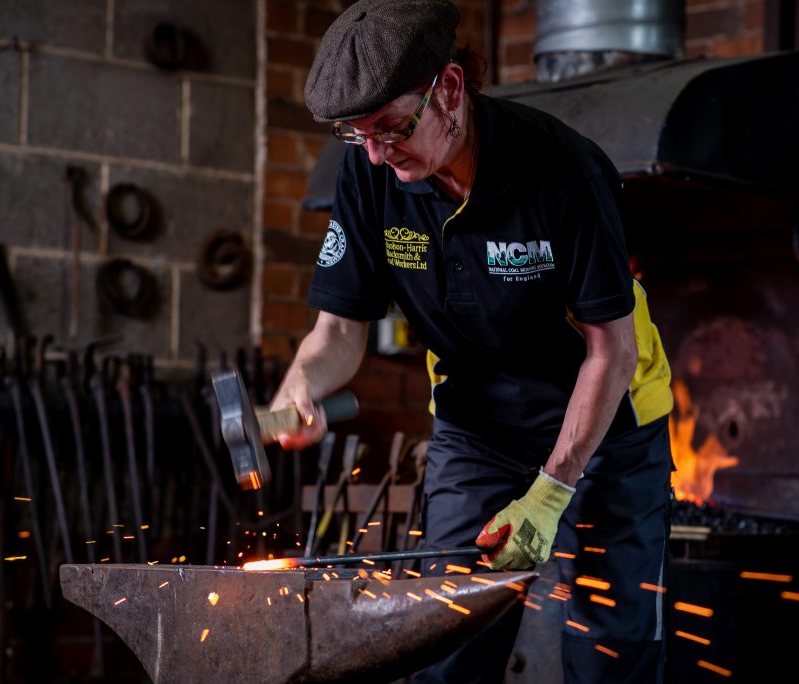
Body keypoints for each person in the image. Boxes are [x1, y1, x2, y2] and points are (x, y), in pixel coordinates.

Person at [269, 0, 674, 681]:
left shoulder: (564, 173)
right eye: (356, 135)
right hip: (477, 428)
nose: (375, 152)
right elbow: (339, 327)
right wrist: (300, 385)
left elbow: (612, 350)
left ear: (449, 89)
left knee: (611, 650)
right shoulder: (371, 170)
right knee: (445, 640)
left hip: (606, 429)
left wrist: (549, 495)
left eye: (393, 128)